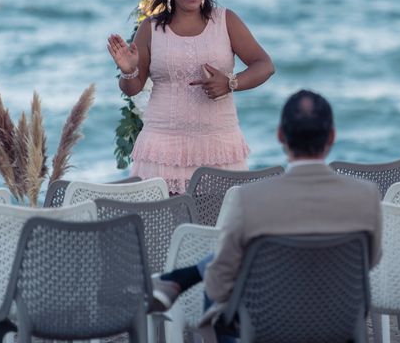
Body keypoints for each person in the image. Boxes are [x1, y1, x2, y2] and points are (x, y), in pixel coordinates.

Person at [152, 89, 383, 331]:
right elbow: (371, 260)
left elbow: (217, 287)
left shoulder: (250, 199)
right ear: (332, 136)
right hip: (338, 323)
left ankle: (177, 280)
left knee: (223, 284)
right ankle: (178, 280)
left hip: (270, 327)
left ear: (281, 135)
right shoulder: (366, 196)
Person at [107, 0, 275, 194]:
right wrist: (129, 71)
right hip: (163, 150)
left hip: (218, 146)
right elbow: (133, 89)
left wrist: (230, 83)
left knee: (219, 227)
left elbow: (265, 65)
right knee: (166, 230)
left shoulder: (225, 21)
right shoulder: (150, 28)